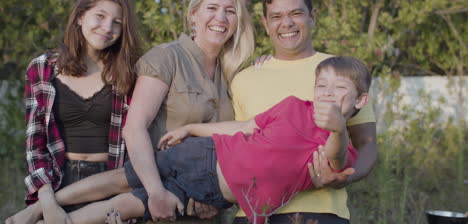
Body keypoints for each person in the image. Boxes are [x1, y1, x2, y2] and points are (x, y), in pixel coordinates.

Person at [10, 55, 370, 224]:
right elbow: (243, 126)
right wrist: (192, 129)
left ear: (359, 101)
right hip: (204, 155)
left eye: (339, 89)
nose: (327, 94)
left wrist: (338, 127)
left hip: (214, 193)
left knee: (137, 203)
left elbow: (335, 162)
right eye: (321, 86)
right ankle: (40, 208)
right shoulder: (294, 106)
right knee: (127, 177)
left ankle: (65, 223)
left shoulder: (342, 147)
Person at [19, 0, 254, 224]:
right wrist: (45, 199)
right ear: (193, 13)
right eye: (212, 8)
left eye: (230, 11)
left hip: (172, 197)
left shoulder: (234, 74)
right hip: (99, 187)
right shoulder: (164, 58)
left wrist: (212, 195)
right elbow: (133, 129)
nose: (221, 18)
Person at [230, 0, 378, 224]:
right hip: (254, 214)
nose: (286, 23)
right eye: (276, 16)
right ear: (265, 24)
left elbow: (368, 144)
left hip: (322, 214)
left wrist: (345, 177)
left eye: (295, 13)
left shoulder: (343, 72)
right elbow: (233, 148)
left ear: (313, 17)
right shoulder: (243, 79)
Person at [6, 0, 142, 224]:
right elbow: (34, 146)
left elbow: (138, 144)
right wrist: (45, 200)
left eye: (117, 22)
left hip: (112, 186)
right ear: (80, 16)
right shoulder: (42, 68)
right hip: (58, 182)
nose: (107, 27)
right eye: (100, 16)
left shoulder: (131, 74)